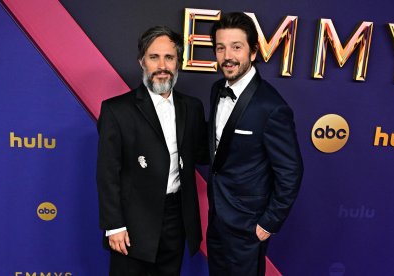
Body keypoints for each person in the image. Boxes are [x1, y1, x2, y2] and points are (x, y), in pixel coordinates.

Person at [96, 25, 207, 276]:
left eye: (169, 57)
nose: (162, 66)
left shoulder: (193, 107)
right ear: (142, 62)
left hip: (176, 219)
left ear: (178, 62)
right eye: (154, 57)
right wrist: (114, 226)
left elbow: (201, 152)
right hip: (133, 224)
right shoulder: (117, 110)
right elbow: (107, 173)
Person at [206, 12, 304, 276]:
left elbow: (290, 171)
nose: (227, 56)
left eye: (236, 47)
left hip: (248, 225)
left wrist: (268, 223)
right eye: (220, 47)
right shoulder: (217, 89)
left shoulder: (272, 107)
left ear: (253, 52)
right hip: (216, 217)